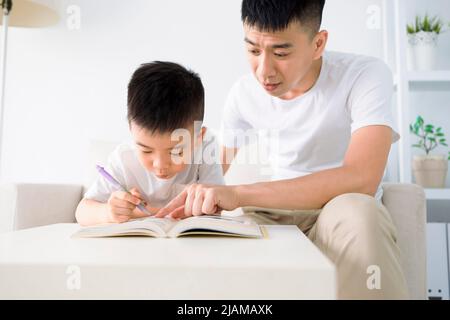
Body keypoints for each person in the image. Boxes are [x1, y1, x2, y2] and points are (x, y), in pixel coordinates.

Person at [156, 0, 409, 299]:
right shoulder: (243, 94)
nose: (264, 70)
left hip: (341, 208)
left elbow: (362, 178)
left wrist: (237, 194)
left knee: (360, 212)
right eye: (252, 50)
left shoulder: (364, 75)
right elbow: (210, 168)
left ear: (318, 43)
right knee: (219, 241)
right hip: (273, 214)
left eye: (281, 53)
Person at [76, 61, 224, 226]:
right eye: (146, 151)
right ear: (131, 130)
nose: (160, 165)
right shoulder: (124, 159)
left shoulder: (205, 152)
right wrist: (108, 213)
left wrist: (150, 211)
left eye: (176, 152)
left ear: (199, 137)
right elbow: (81, 212)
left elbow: (216, 209)